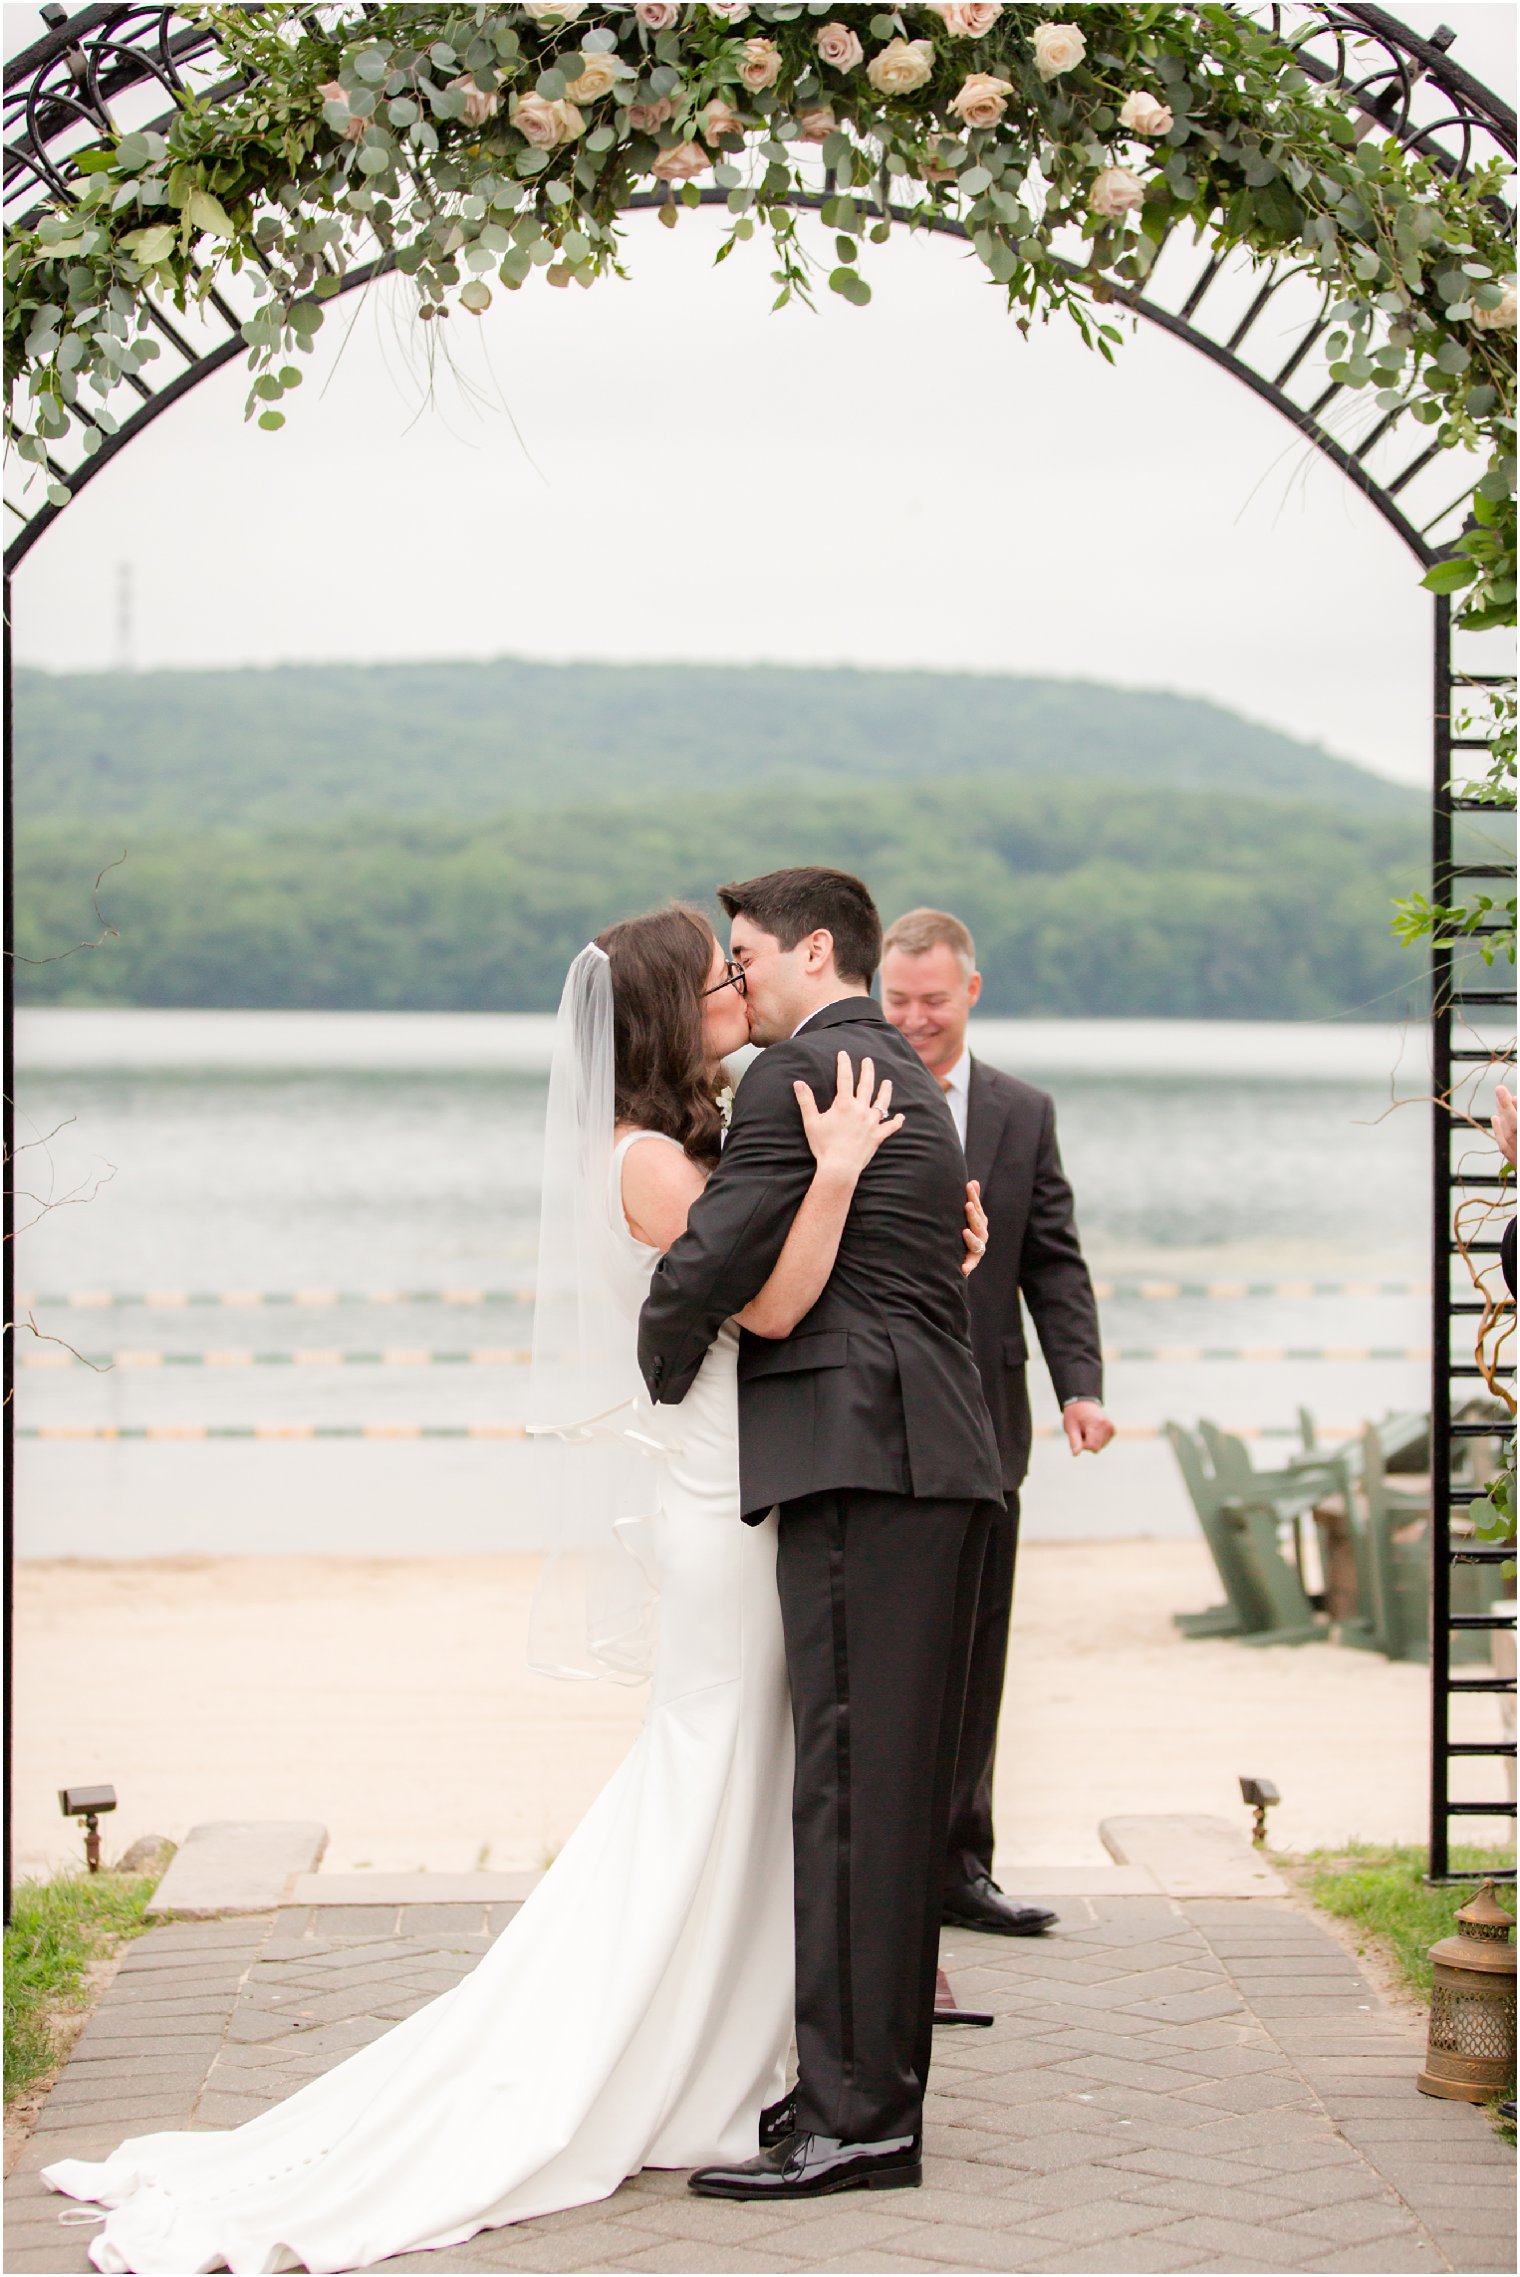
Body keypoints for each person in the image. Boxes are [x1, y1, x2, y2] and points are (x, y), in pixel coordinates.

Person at [40, 902, 988, 2274]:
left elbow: (803, 1295)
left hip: (733, 1478)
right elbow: (773, 1306)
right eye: (716, 975)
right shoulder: (656, 1165)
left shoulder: (671, 1148)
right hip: (724, 1498)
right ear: (673, 1010)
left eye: (743, 964)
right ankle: (667, 2060)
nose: (737, 984)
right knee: (717, 1770)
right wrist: (841, 1172)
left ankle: (728, 2060)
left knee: (738, 1780)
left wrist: (916, 1242)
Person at [638, 868, 1007, 2205]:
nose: (736, 978)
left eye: (744, 954)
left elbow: (713, 1259)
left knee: (855, 1794)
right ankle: (853, 2093)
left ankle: (863, 2120)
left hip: (873, 1468)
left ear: (810, 949)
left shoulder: (796, 1076)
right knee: (879, 1795)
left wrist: (654, 1362)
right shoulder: (894, 1074)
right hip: (921, 1459)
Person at [880, 907, 1114, 1940]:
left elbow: (1051, 1260)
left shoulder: (1022, 1111)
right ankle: (867, 1871)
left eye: (931, 1000)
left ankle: (957, 1868)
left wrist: (1081, 1384)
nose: (914, 1018)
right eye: (896, 1000)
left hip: (987, 1419)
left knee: (977, 1650)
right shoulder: (855, 1094)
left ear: (970, 991)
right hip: (876, 1419)